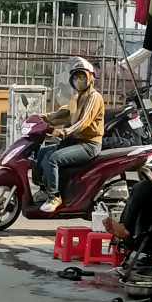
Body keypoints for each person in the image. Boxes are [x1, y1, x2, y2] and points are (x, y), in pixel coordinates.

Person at [34, 58, 105, 213]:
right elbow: (64, 113)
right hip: (76, 141)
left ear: (90, 78)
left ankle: (54, 197)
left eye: (82, 76)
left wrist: (64, 132)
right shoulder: (76, 97)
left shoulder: (94, 97)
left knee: (53, 159)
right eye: (75, 77)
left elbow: (84, 121)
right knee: (43, 152)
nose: (78, 80)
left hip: (89, 144)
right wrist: (43, 118)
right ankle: (44, 188)